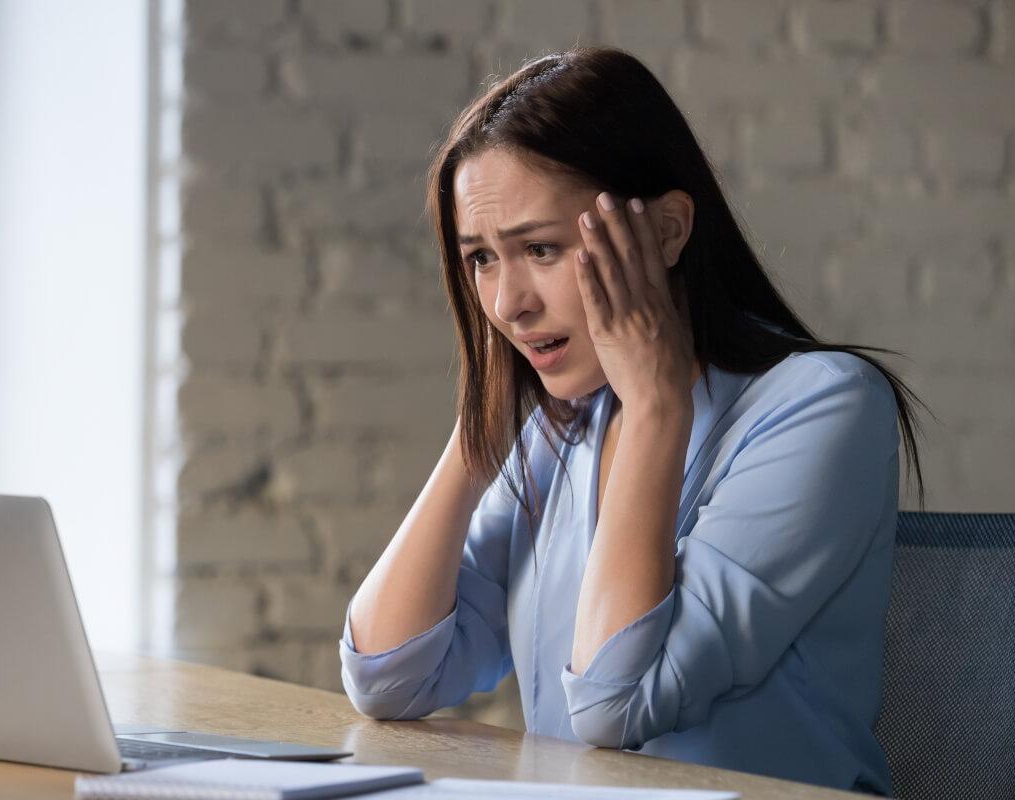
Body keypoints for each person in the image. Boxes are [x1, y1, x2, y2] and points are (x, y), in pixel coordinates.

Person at [337, 46, 928, 796]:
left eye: (540, 249)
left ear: (668, 232)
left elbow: (615, 704)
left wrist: (655, 408)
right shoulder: (563, 429)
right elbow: (387, 677)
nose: (505, 303)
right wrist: (475, 436)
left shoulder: (824, 406)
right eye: (482, 258)